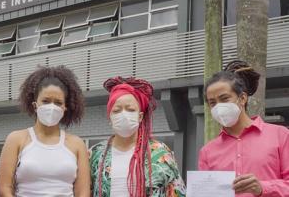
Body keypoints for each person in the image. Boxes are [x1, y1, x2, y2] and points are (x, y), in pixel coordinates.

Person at [199, 60, 289, 196]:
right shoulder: (207, 152)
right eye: (213, 103)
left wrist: (262, 188)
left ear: (242, 98)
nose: (218, 106)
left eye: (224, 99)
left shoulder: (281, 135)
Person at [0, 65, 90, 197]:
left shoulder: (77, 144)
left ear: (65, 107)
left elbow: (83, 192)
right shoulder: (16, 139)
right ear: (35, 105)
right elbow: (4, 188)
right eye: (46, 101)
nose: (52, 106)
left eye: (58, 102)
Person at [89, 76, 186, 197]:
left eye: (130, 109)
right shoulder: (96, 154)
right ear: (110, 117)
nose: (123, 115)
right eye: (117, 110)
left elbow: (178, 192)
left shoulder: (160, 152)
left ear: (140, 116)